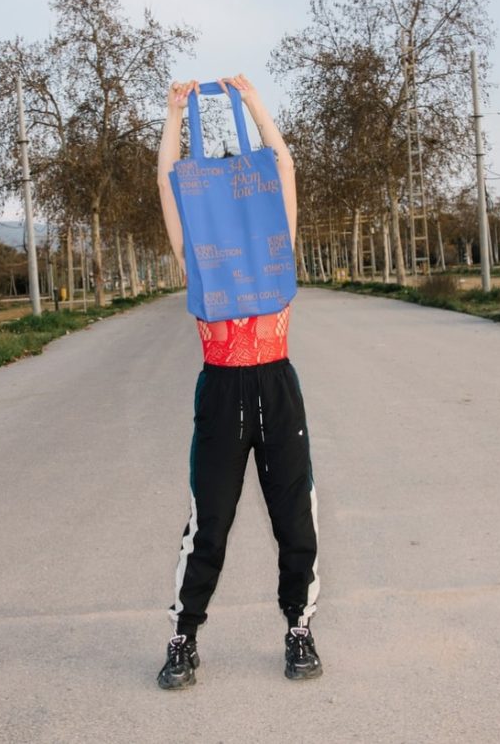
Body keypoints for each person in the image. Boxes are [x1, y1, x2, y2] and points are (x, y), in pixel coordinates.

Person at [154, 74, 321, 690]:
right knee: (209, 525)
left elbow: (284, 168)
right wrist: (175, 115)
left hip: (277, 388)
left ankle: (299, 628)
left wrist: (253, 105)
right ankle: (183, 638)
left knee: (294, 520)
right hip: (221, 392)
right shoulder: (195, 256)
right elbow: (170, 185)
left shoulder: (278, 243)